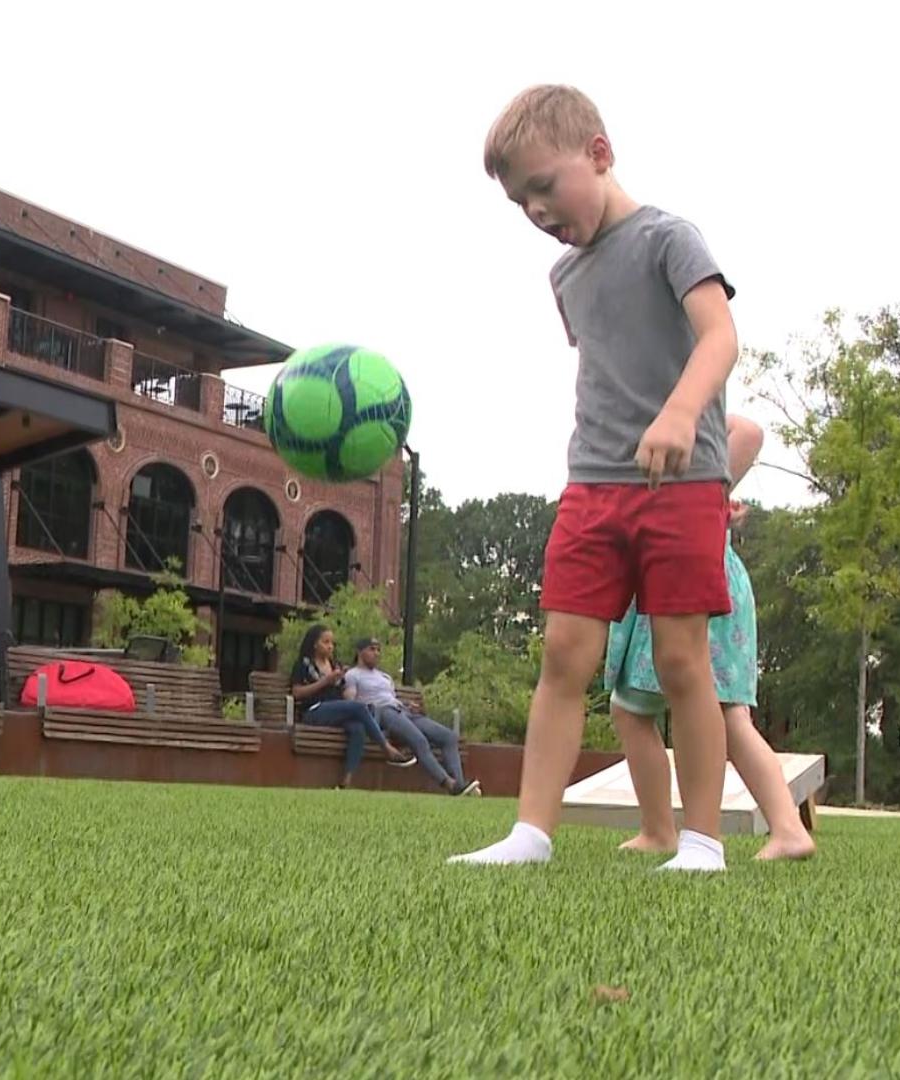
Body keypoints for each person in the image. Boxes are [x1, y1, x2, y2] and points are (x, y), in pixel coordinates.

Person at [451, 85, 740, 872]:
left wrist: (680, 414)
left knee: (683, 662)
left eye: (545, 186)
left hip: (681, 486)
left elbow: (720, 338)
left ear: (600, 155)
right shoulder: (563, 278)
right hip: (591, 487)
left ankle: (704, 842)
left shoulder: (669, 240)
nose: (537, 210)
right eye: (520, 202)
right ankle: (530, 835)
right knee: (563, 656)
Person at [605, 415, 816, 862]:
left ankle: (660, 829)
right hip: (701, 574)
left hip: (686, 576)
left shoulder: (668, 404)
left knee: (639, 709)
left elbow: (749, 432)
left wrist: (710, 498)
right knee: (721, 714)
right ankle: (786, 827)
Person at [343, 638, 482, 797]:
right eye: (372, 649)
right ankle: (449, 784)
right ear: (359, 652)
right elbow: (351, 702)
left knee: (449, 737)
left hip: (401, 711)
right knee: (420, 741)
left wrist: (408, 705)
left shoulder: (385, 677)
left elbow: (390, 697)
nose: (376, 653)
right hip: (384, 713)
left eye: (378, 650)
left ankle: (460, 784)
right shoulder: (353, 675)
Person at [290, 624, 415, 788]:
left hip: (336, 711)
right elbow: (297, 693)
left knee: (358, 728)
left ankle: (346, 781)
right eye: (325, 642)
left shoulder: (335, 665)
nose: (330, 647)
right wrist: (325, 681)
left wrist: (341, 679)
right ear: (315, 644)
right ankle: (387, 748)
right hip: (314, 711)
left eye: (332, 643)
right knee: (358, 707)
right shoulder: (303, 664)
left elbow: (342, 694)